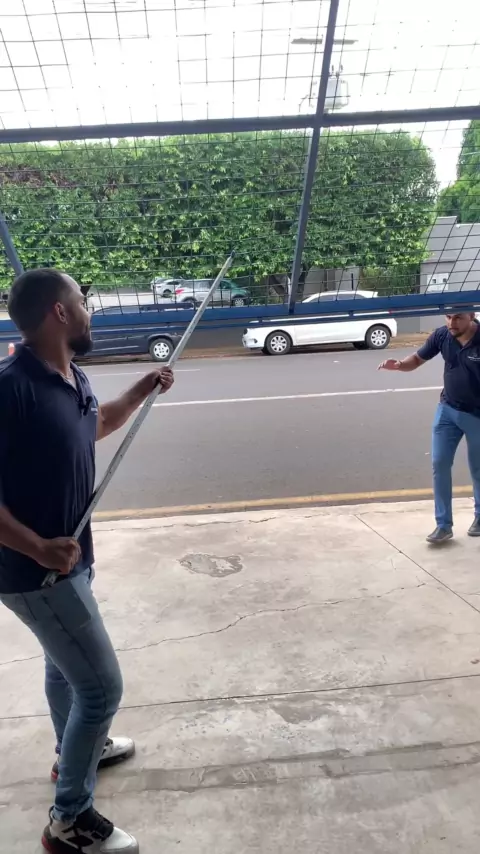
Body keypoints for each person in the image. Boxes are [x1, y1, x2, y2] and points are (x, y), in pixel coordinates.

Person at [0, 269, 174, 853]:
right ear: (59, 312)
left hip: (72, 561)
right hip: (35, 573)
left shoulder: (72, 376)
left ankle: (74, 750)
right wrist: (36, 545)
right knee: (100, 689)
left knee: (64, 666)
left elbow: (94, 426)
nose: (88, 309)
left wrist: (144, 388)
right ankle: (68, 820)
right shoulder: (11, 388)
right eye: (82, 300)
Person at [379, 311, 480, 544]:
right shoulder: (442, 335)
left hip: (477, 415)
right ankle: (443, 525)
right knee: (439, 463)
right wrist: (400, 365)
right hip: (447, 410)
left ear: (472, 316)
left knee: (478, 469)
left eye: (458, 318)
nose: (452, 323)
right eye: (448, 317)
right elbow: (417, 359)